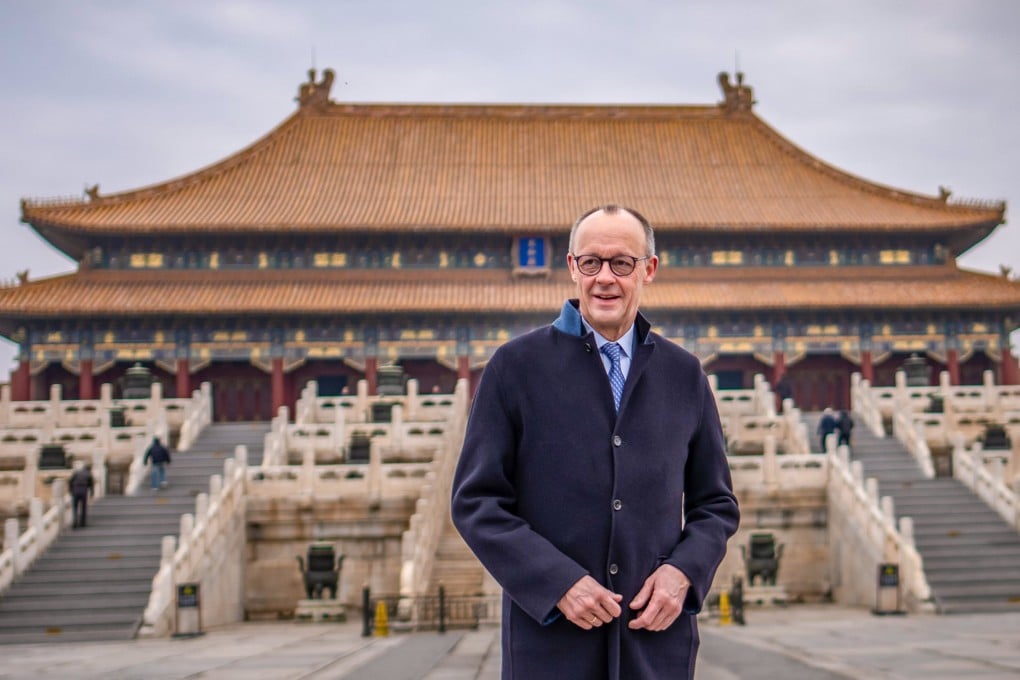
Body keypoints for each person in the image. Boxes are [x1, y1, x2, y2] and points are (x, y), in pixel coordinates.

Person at [451, 205, 740, 679]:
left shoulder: (683, 374)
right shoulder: (515, 368)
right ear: (571, 268)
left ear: (648, 270)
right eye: (591, 263)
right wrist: (558, 583)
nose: (605, 278)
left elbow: (716, 504)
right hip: (551, 641)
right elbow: (476, 502)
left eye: (621, 263)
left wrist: (683, 572)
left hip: (653, 637)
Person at [68, 461, 94, 528]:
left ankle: (75, 522)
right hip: (83, 491)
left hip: (75, 490)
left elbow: (70, 482)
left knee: (75, 507)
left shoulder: (76, 473)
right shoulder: (88, 474)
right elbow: (91, 485)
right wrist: (91, 493)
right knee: (83, 507)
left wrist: (71, 491)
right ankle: (82, 522)